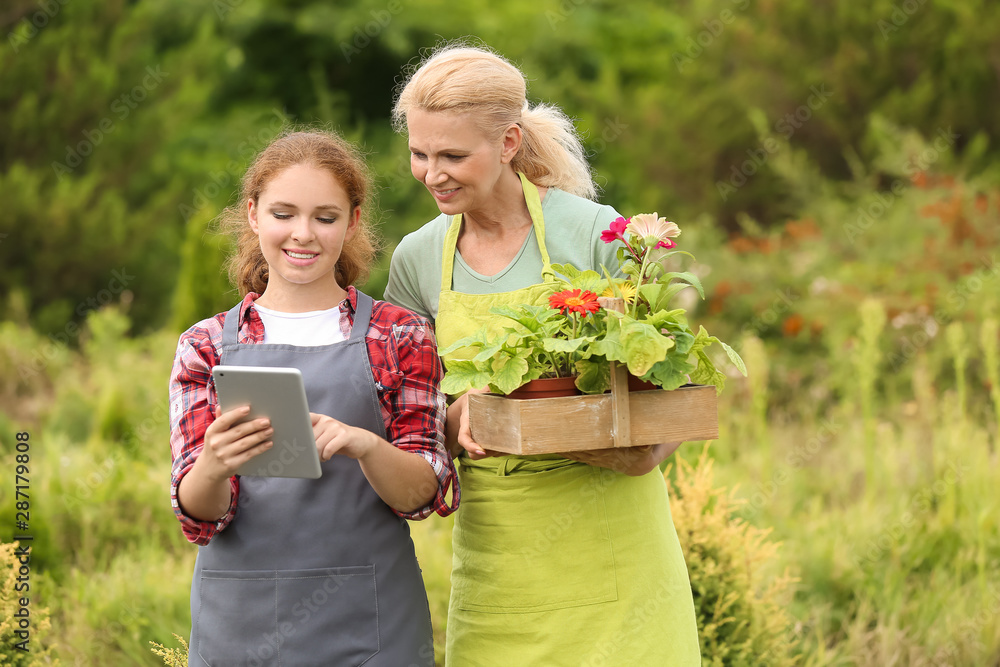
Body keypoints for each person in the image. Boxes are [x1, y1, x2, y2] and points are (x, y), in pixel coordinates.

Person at [384, 45, 702, 665]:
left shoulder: (593, 233)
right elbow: (409, 422)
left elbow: (671, 385)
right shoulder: (418, 259)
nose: (431, 173)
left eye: (453, 155)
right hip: (502, 559)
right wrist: (461, 415)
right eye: (420, 154)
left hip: (615, 549)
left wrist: (640, 447)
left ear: (507, 143)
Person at [168, 130, 458, 666]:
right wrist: (212, 463)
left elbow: (424, 494)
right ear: (253, 215)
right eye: (284, 214)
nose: (303, 234)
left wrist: (365, 446)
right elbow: (198, 516)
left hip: (371, 623)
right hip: (241, 625)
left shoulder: (400, 336)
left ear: (351, 221)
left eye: (325, 217)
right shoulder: (205, 346)